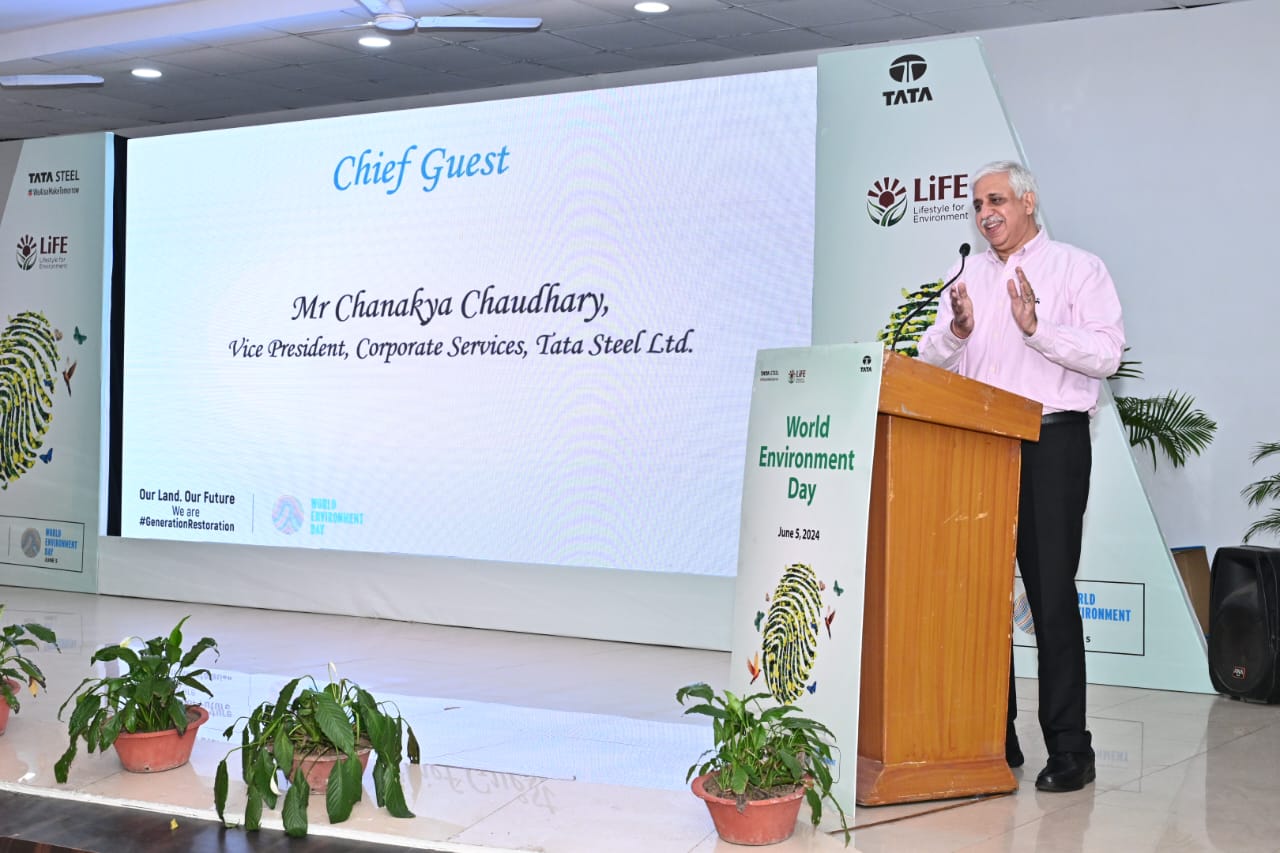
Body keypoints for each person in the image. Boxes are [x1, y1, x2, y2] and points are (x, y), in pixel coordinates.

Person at [917, 160, 1125, 793]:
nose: (986, 214)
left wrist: (1037, 329)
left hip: (1050, 442)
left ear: (1028, 202)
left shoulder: (1077, 268)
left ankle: (1070, 748)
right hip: (979, 442)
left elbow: (1107, 354)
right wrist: (957, 332)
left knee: (1050, 594)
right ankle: (994, 737)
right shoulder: (967, 276)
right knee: (982, 596)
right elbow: (928, 356)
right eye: (978, 204)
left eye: (997, 200)